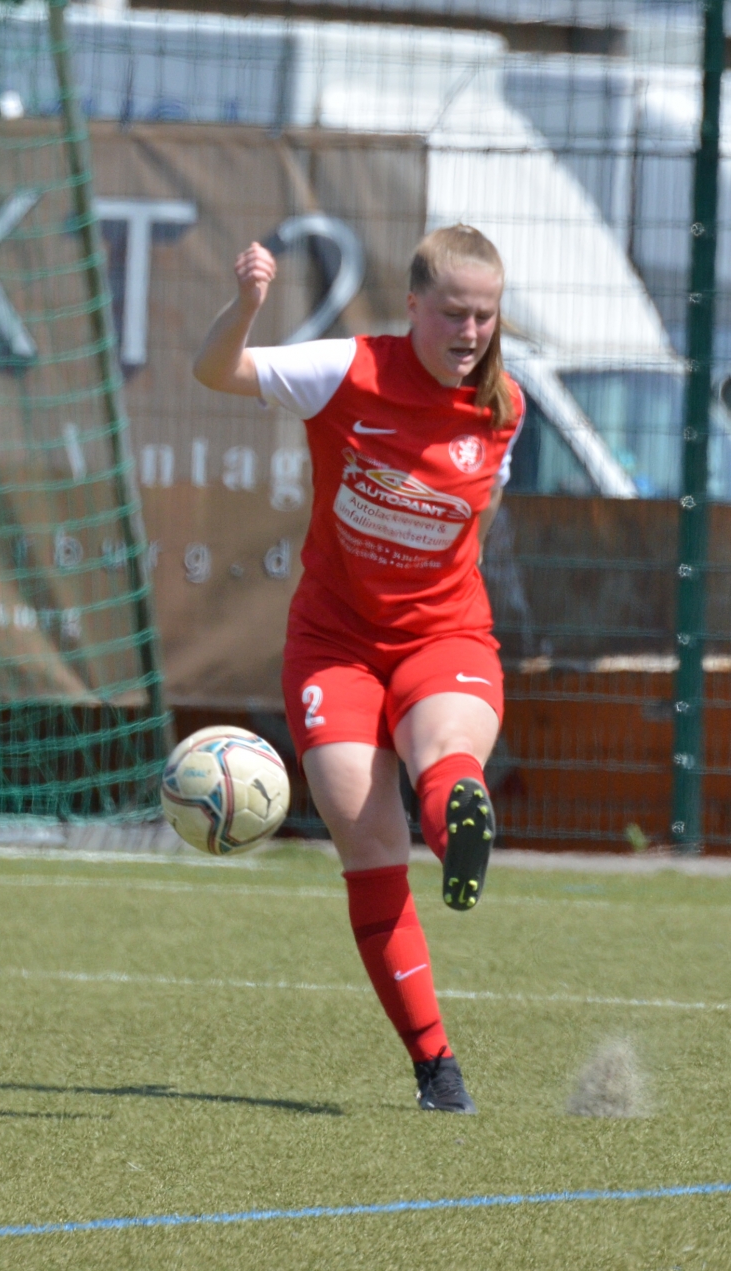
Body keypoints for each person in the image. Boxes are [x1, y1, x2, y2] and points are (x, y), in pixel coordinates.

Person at [193, 224, 520, 1114]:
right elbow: (217, 372)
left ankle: (459, 830)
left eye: (485, 316)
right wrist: (248, 304)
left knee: (444, 755)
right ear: (412, 305)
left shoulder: (505, 408)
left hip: (446, 635)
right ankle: (436, 1066)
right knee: (370, 844)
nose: (469, 332)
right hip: (336, 643)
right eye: (452, 313)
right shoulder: (348, 370)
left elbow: (478, 526)